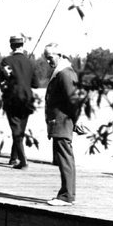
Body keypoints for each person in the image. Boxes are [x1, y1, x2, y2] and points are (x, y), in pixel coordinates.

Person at [42, 43, 83, 206]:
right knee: (63, 158)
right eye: (46, 58)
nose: (48, 61)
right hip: (59, 122)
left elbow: (74, 99)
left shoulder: (65, 73)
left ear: (60, 55)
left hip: (62, 122)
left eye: (50, 57)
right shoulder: (62, 71)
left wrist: (78, 120)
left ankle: (67, 196)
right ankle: (65, 193)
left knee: (65, 158)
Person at [0, 34, 38, 168]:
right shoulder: (30, 62)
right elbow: (35, 84)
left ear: (11, 46)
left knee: (15, 130)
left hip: (12, 99)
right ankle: (14, 158)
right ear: (22, 45)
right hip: (27, 100)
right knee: (20, 130)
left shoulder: (7, 61)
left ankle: (23, 161)